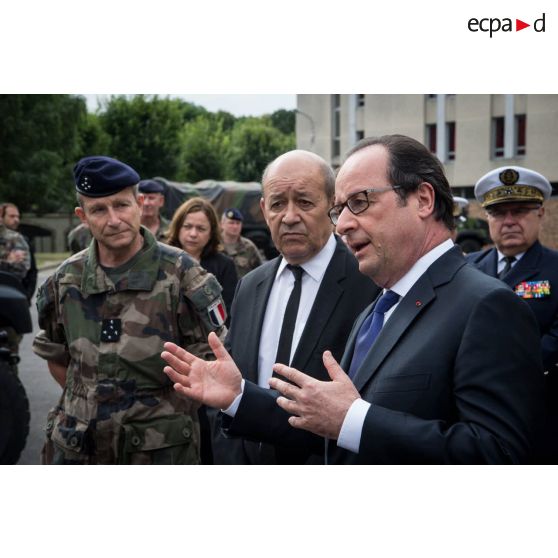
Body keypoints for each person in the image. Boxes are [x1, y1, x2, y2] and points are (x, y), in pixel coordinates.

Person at [161, 135, 544, 465]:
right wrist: (240, 398)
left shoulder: (488, 306)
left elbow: (500, 456)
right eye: (340, 209)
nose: (342, 224)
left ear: (423, 199)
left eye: (360, 202)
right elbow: (327, 424)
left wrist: (356, 420)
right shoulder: (379, 308)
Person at [176, 149, 379, 465]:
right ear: (263, 210)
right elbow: (232, 386)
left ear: (332, 206)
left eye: (305, 202)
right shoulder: (251, 285)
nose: (290, 216)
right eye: (277, 204)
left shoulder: (369, 282)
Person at [32, 155, 227, 465]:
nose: (113, 219)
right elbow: (57, 357)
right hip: (78, 447)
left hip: (158, 450)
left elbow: (213, 364)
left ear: (139, 204)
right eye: (99, 209)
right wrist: (94, 401)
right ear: (83, 216)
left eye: (121, 205)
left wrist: (154, 410)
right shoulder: (65, 280)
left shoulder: (183, 276)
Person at [467, 165, 558, 462]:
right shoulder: (467, 268)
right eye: (498, 213)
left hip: (536, 408)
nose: (509, 221)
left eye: (519, 211)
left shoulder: (554, 269)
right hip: (473, 409)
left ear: (540, 214)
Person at [166, 197, 238, 319]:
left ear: (211, 232)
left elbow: (229, 313)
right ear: (178, 228)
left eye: (201, 228)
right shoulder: (163, 259)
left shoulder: (224, 265)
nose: (193, 234)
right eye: (187, 226)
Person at [1, 202, 38, 302]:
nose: (16, 220)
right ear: (1, 216)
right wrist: (7, 260)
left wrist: (27, 296)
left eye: (18, 216)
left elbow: (30, 271)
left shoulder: (22, 240)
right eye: (12, 216)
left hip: (16, 296)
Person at [221, 207, 264, 278]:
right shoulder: (213, 245)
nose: (235, 226)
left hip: (242, 288)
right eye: (231, 223)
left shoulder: (249, 247)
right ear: (222, 224)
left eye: (238, 223)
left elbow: (261, 271)